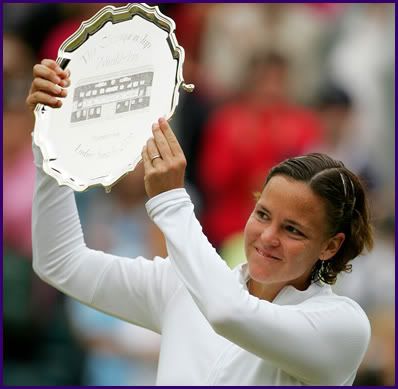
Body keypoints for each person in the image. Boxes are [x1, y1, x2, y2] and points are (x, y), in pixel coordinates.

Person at [27, 59, 373, 386]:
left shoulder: (342, 324)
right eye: (263, 215)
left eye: (293, 229)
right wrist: (51, 146)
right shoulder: (184, 285)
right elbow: (60, 262)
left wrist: (171, 201)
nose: (268, 236)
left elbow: (227, 313)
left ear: (331, 245)